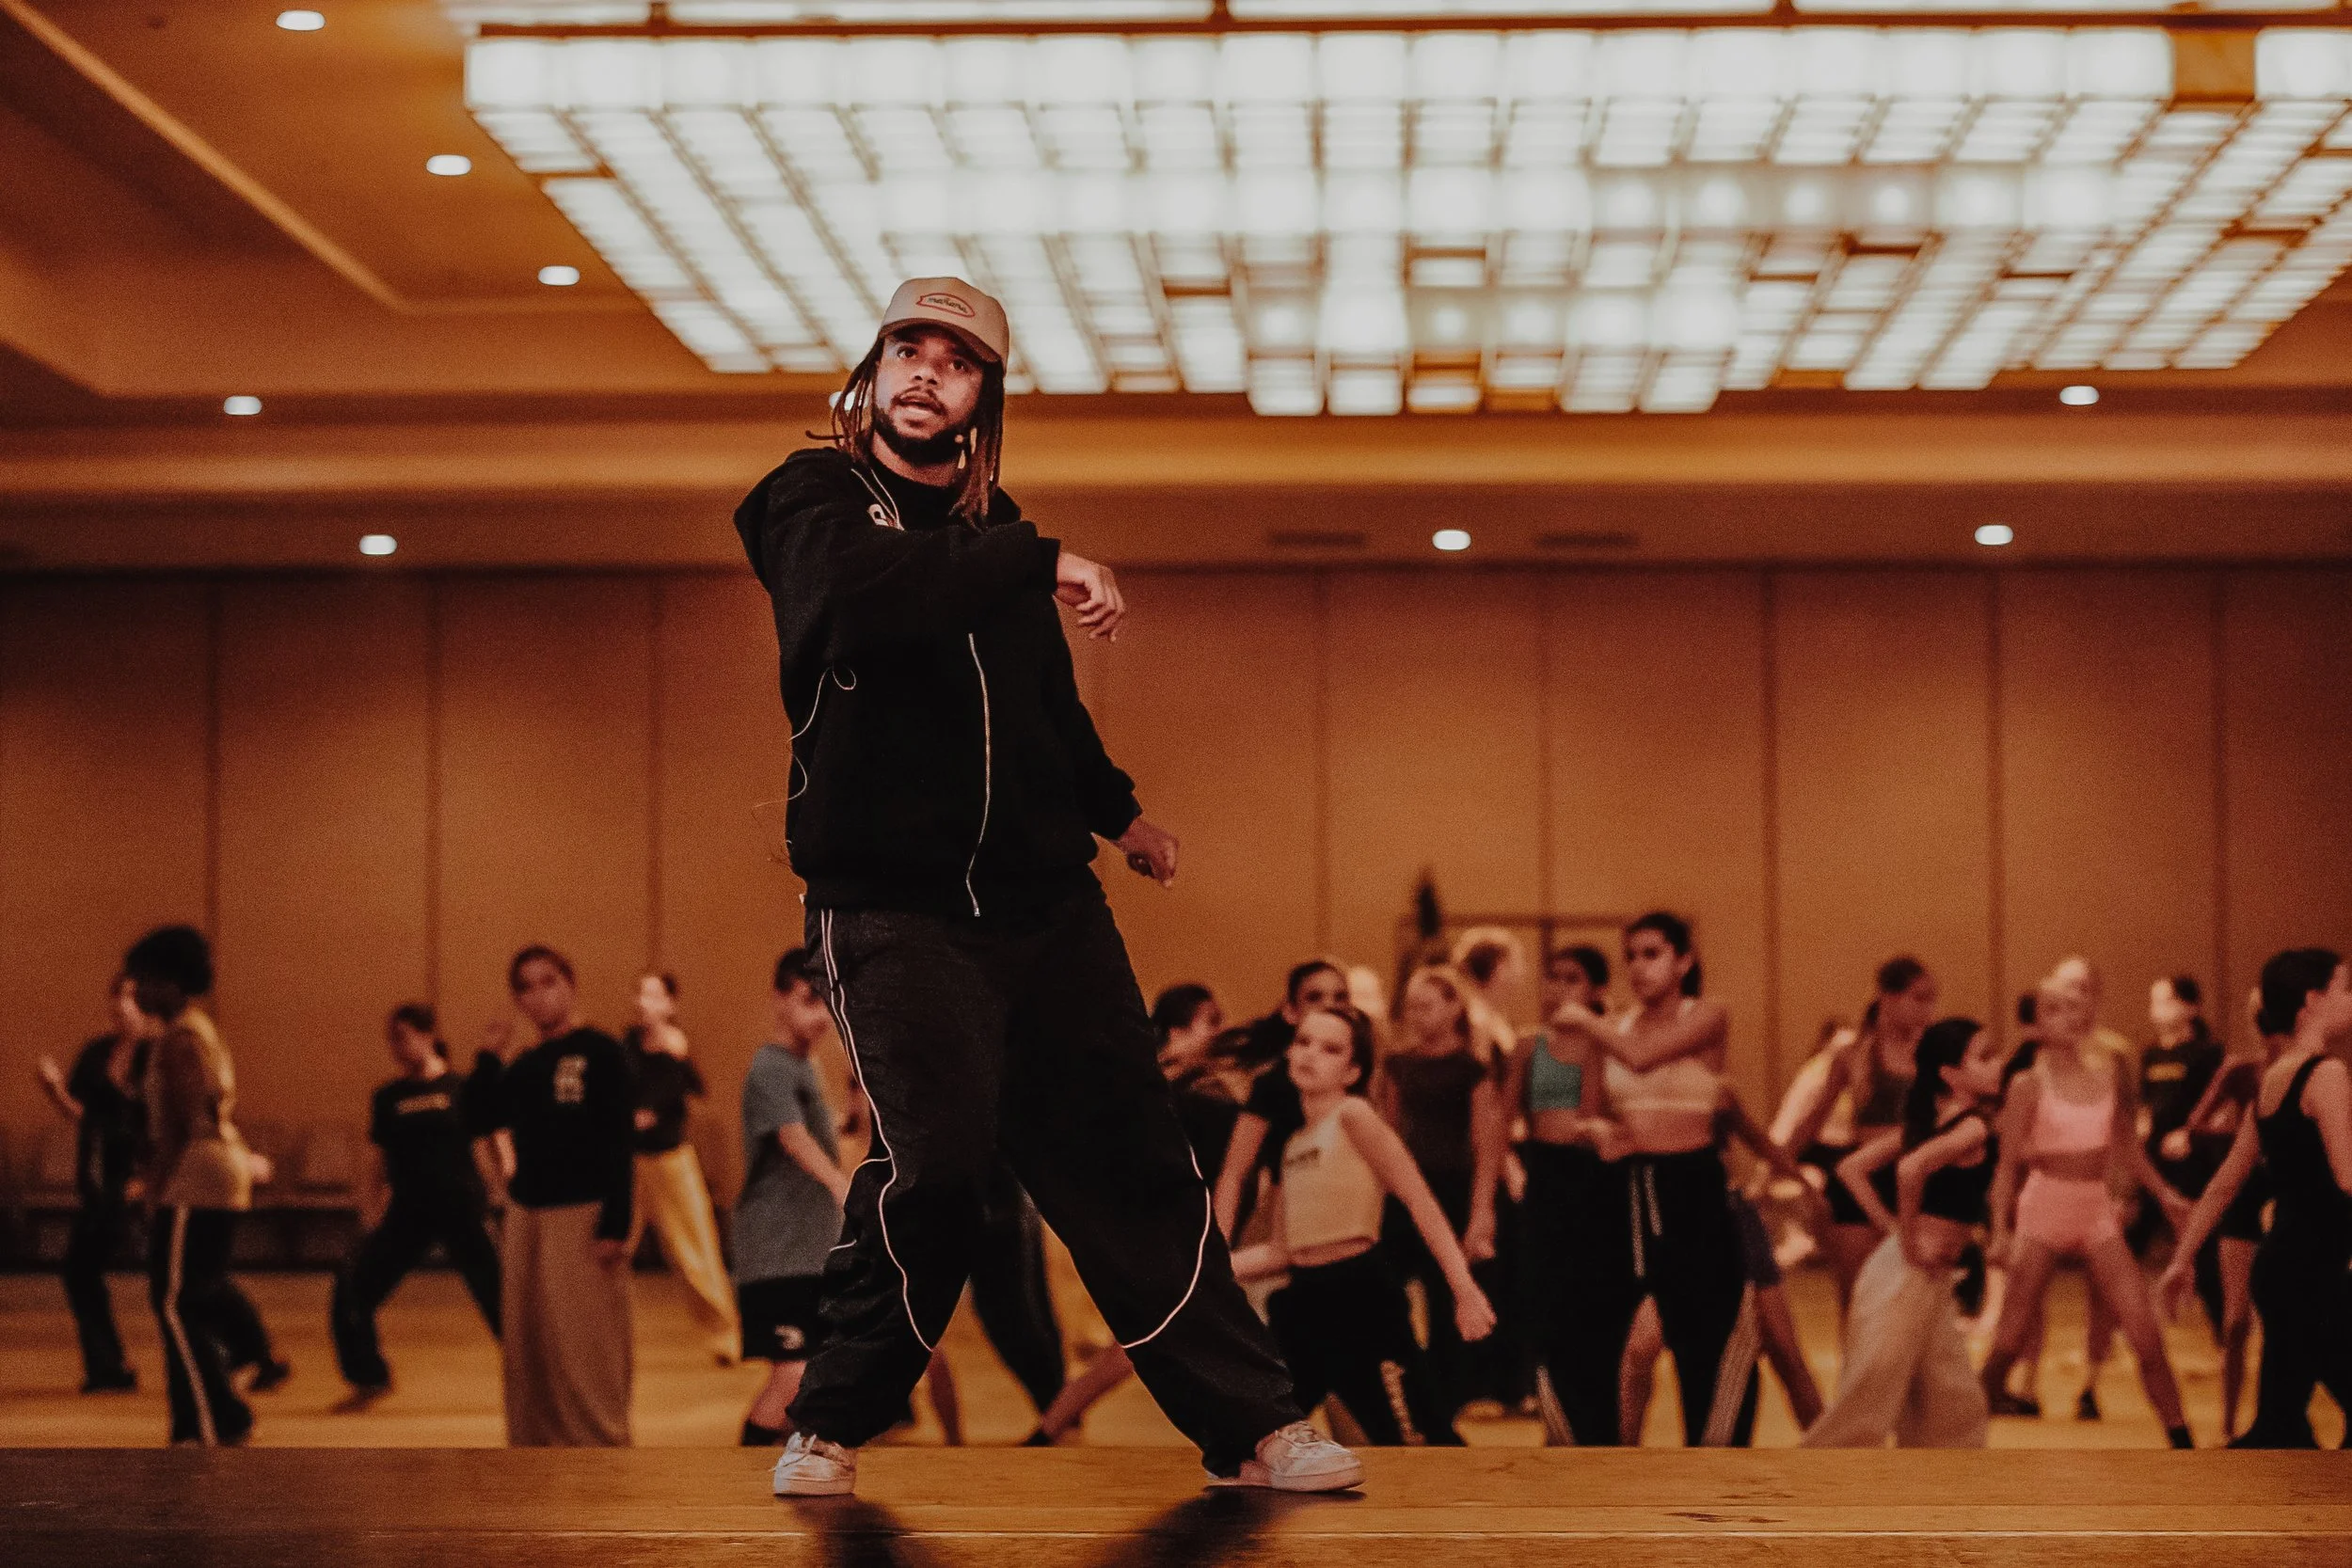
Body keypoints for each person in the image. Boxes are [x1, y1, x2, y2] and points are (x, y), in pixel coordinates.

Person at [737, 275, 1351, 1497]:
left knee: (1133, 1157)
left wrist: (1118, 812)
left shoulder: (994, 534)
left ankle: (1257, 1424)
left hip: (1045, 904)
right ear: (875, 368)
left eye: (955, 361)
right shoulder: (810, 500)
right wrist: (1036, 552)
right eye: (907, 348)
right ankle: (830, 1420)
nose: (926, 372)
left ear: (983, 397)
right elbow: (863, 604)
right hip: (892, 906)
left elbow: (1042, 709)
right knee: (942, 1159)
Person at [1232, 1004, 1497, 1445]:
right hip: (1304, 1306)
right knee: (1251, 1438)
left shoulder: (1354, 1116)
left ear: (1352, 1071)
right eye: (1303, 1042)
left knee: (1420, 1440)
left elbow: (1420, 1200)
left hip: (1362, 1303)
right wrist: (1204, 1273)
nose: (1310, 1055)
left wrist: (1464, 1289)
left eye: (1331, 1048)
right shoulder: (1293, 1145)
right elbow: (1282, 1250)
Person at [1544, 911, 1756, 1447]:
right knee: (1602, 1329)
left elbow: (1642, 1060)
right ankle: (1603, 1447)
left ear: (1683, 961)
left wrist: (1587, 1018)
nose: (1638, 967)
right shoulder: (1614, 1030)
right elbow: (1591, 1110)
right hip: (1626, 1188)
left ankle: (1714, 1457)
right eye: (1631, 956)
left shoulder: (1706, 1015)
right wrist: (1599, 1133)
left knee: (1705, 1332)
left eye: (1652, 954)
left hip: (1691, 1187)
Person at [1977, 972, 2194, 1447]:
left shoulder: (2109, 1071)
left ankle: (2182, 1441)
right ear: (2035, 1024)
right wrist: (1999, 1230)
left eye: (2077, 1007)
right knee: (2008, 1342)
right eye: (2055, 1009)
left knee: (2145, 1333)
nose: (2071, 1017)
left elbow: (2127, 1146)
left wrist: (2164, 1194)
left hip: (2094, 1207)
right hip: (2043, 1206)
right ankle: (1956, 1431)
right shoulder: (2028, 1084)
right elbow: (2006, 1165)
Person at [1021, 982, 1238, 1448]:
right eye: (1209, 1022)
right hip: (1175, 1235)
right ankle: (1053, 1426)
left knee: (1148, 1344)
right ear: (1176, 1032)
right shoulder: (1176, 1092)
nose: (1218, 1032)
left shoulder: (1196, 1090)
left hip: (1193, 1233)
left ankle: (1053, 1425)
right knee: (1143, 1342)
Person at [2161, 949, 2352, 1448]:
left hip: (2286, 1273)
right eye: (2344, 988)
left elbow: (2226, 1182)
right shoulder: (2326, 1074)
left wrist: (2182, 1258)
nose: (2351, 1000)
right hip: (2310, 1278)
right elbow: (2349, 1177)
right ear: (2313, 1000)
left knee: (2280, 1431)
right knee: (2281, 1431)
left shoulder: (2274, 1078)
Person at [1803, 1018, 2006, 1448]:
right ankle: (1806, 1490)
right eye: (1984, 1056)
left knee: (1954, 1405)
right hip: (1908, 1275)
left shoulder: (1932, 1122)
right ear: (1951, 1074)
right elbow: (1909, 1170)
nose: (1998, 1063)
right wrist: (1907, 1238)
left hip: (1919, 1275)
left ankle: (1940, 1495)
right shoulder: (1971, 1126)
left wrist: (1896, 1232)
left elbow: (1851, 1168)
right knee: (1865, 1406)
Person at [463, 945, 636, 1448]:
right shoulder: (526, 1065)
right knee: (527, 1342)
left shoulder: (603, 1053)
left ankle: (601, 1445)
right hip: (525, 1215)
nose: (538, 995)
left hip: (581, 1215)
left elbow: (619, 1140)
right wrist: (488, 1058)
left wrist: (615, 1224)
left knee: (585, 1343)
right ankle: (535, 1447)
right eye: (525, 987)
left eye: (548, 981)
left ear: (570, 984)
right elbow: (477, 1117)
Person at [129, 925, 268, 1447]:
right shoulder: (191, 1029)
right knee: (193, 1295)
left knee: (174, 1299)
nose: (136, 991)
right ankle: (201, 1413)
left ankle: (218, 1417)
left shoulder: (183, 1036)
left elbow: (187, 1124)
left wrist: (155, 1188)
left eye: (142, 979)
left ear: (170, 981)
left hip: (198, 1175)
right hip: (213, 1171)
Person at [329, 1005, 501, 1407]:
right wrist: (369, 1211)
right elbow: (377, 1160)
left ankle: (529, 1374)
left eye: (403, 1036)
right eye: (392, 1039)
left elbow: (495, 1142)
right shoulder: (388, 1097)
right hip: (408, 1211)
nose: (397, 1047)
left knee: (500, 1298)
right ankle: (369, 1377)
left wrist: (504, 1189)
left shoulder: (460, 1088)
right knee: (352, 1287)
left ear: (428, 1036)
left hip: (463, 1208)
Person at [2083, 974, 2224, 1415]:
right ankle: (2093, 1379)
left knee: (2208, 1266)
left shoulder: (2207, 1054)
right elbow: (2142, 1110)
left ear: (2190, 1008)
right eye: (2153, 1001)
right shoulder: (2149, 1056)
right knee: (2119, 1262)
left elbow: (2222, 1107)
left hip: (2193, 1172)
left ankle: (2226, 1355)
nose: (2155, 1010)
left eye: (2164, 1001)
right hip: (2152, 1172)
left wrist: (2191, 1134)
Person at [1374, 963, 1505, 1422]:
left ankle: (1442, 1404)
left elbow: (1486, 1145)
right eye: (1410, 1006)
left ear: (1454, 1008)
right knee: (1386, 1291)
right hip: (1402, 1190)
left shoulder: (1473, 1070)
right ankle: (1395, 1387)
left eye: (1427, 1006)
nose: (1416, 1015)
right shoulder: (1397, 1064)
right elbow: (1384, 1131)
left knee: (1446, 1293)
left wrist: (1481, 1211)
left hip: (1452, 1189)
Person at [737, 948, 855, 1447]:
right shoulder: (771, 1068)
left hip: (808, 1255)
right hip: (775, 1255)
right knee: (791, 1376)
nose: (822, 1014)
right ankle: (744, 1483)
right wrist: (839, 1183)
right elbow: (792, 1136)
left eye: (828, 1001)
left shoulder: (804, 1067)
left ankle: (785, 1478)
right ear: (779, 998)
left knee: (808, 1379)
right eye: (809, 999)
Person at [1783, 958, 1939, 1312]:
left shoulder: (1932, 1054)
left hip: (1916, 1178)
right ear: (1887, 997)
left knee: (1914, 1297)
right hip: (1863, 1179)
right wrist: (1775, 1167)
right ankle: (1856, 1366)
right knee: (1855, 1296)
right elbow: (1812, 1120)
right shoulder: (1853, 1054)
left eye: (1932, 1000)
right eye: (1919, 998)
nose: (1928, 1010)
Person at [1507, 946, 1613, 1443]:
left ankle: (1594, 1417)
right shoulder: (1528, 1045)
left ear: (1595, 990)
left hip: (1592, 1176)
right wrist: (1505, 1174)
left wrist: (1592, 1032)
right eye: (1552, 979)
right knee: (1540, 1293)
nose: (1558, 989)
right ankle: (1553, 1414)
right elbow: (1502, 1120)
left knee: (1590, 1298)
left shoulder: (1606, 1044)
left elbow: (1596, 1112)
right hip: (1543, 1171)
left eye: (1572, 979)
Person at [35, 974, 149, 1394]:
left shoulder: (154, 1056)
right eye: (116, 995)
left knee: (173, 1278)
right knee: (81, 1272)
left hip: (135, 1182)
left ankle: (247, 1347)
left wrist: (147, 1178)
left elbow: (156, 1124)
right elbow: (84, 1116)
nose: (121, 1004)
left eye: (130, 996)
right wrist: (53, 1090)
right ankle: (109, 1366)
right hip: (101, 1183)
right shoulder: (99, 1053)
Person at [2169, 989, 2276, 1439]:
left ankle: (2279, 1416)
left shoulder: (2320, 1073)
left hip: (2289, 1199)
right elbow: (2196, 1122)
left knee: (2288, 1315)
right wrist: (2232, 1133)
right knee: (2236, 1320)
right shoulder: (2242, 1070)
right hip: (2246, 1195)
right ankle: (2232, 1426)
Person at [623, 973, 741, 1367]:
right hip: (631, 1164)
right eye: (641, 993)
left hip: (673, 1162)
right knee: (614, 1246)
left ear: (671, 1004)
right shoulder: (628, 1045)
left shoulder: (677, 1049)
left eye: (654, 995)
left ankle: (727, 1335)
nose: (644, 1001)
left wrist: (676, 1054)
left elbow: (691, 1091)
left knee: (696, 1253)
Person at [1212, 960, 1351, 1242]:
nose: (1330, 1004)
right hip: (1291, 1221)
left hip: (1350, 1222)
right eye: (1315, 997)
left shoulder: (1360, 1074)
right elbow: (1233, 1174)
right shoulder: (1274, 1083)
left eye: (1340, 996)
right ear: (1291, 1011)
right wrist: (1219, 1253)